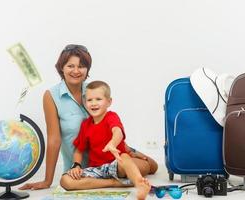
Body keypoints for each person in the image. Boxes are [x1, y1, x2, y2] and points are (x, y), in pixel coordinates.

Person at [19, 44, 157, 190]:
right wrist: (47, 181)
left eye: (82, 66)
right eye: (70, 66)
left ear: (87, 69)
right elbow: (54, 139)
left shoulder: (94, 90)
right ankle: (116, 182)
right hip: (85, 169)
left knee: (151, 165)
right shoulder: (51, 96)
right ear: (62, 68)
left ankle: (130, 172)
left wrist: (130, 151)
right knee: (66, 182)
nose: (76, 71)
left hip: (114, 158)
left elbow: (110, 126)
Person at [61, 80, 151, 200]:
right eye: (89, 100)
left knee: (148, 165)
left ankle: (139, 184)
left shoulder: (111, 116)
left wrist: (112, 143)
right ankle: (115, 183)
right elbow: (79, 149)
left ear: (109, 102)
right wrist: (76, 165)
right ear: (85, 102)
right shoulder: (86, 125)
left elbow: (117, 131)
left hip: (118, 164)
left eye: (98, 99)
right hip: (98, 170)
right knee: (65, 180)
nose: (93, 103)